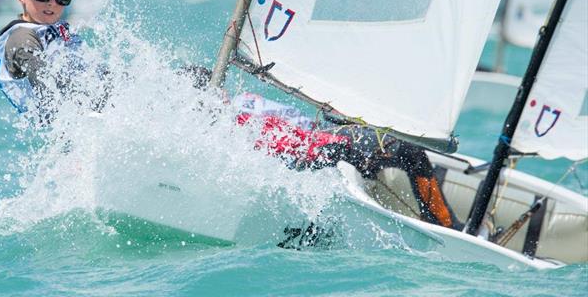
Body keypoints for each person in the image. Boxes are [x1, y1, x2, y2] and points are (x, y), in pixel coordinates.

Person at [180, 65, 461, 230]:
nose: (222, 96)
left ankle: (442, 219)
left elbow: (295, 124)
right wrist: (337, 142)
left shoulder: (243, 103)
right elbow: (287, 148)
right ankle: (448, 228)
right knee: (409, 151)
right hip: (327, 150)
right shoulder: (230, 127)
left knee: (402, 144)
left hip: (326, 136)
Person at [0, 0, 84, 116]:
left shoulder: (60, 29)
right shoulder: (20, 37)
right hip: (62, 123)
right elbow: (41, 76)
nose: (52, 3)